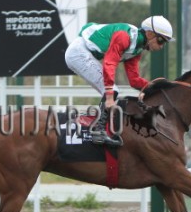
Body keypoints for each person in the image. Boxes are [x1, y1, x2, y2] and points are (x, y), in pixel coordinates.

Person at [65, 15, 174, 147]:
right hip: (78, 53)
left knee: (113, 90)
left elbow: (134, 80)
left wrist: (153, 87)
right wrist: (109, 96)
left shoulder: (137, 49)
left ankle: (101, 129)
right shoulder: (124, 37)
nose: (161, 46)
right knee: (112, 90)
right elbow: (109, 64)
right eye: (161, 41)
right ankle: (98, 131)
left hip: (83, 52)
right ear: (150, 33)